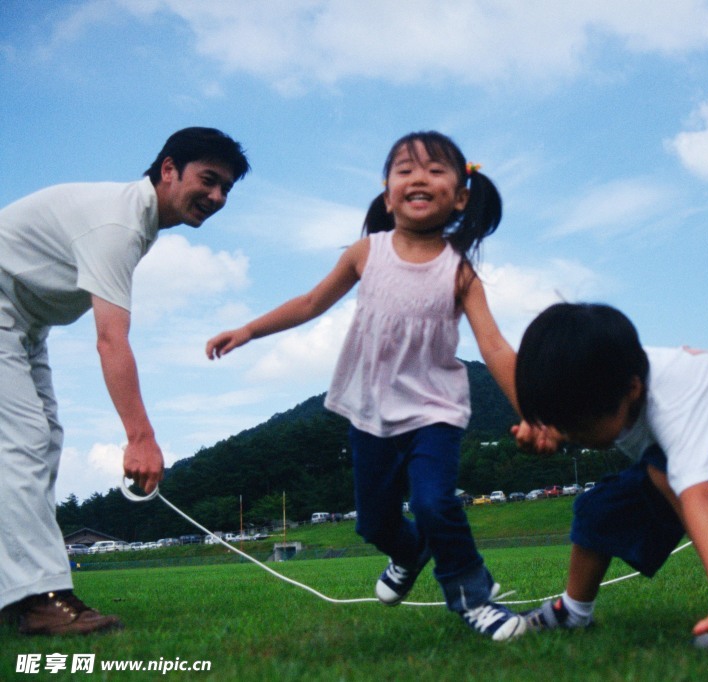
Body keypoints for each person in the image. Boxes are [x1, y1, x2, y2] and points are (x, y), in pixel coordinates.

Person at [206, 131, 527, 642]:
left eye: (435, 169)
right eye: (405, 169)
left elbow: (495, 348)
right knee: (374, 524)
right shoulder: (366, 253)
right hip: (370, 413)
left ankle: (473, 599)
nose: (419, 177)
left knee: (432, 503)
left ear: (461, 195)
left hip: (435, 412)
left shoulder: (460, 273)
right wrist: (248, 330)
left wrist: (528, 411)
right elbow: (311, 302)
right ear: (386, 191)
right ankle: (408, 551)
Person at [0, 127, 250, 635]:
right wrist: (140, 437)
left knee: (43, 442)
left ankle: (19, 594)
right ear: (168, 170)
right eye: (208, 180)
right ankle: (40, 599)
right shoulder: (119, 223)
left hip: (27, 324)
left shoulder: (138, 221)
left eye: (226, 187)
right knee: (23, 443)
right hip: (6, 306)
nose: (218, 197)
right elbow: (111, 340)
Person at [512, 303, 708, 646]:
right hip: (699, 457)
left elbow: (696, 494)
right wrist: (553, 432)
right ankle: (572, 612)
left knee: (663, 468)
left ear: (633, 390)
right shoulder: (607, 379)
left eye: (577, 426)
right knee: (597, 507)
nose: (570, 435)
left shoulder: (675, 395)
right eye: (561, 425)